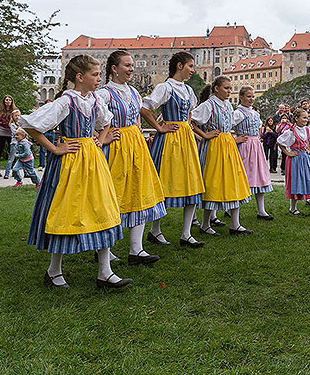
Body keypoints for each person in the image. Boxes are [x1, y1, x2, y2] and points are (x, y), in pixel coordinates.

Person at [21, 54, 130, 290]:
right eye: (95, 74)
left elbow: (106, 122)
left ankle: (105, 272)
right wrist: (55, 149)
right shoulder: (66, 101)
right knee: (66, 211)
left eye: (100, 74)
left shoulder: (93, 100)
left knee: (102, 208)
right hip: (70, 164)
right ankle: (54, 271)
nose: (99, 78)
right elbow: (31, 125)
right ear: (80, 77)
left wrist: (100, 141)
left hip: (93, 160)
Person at [98, 50, 166, 264]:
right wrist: (102, 138)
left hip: (135, 146)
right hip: (115, 148)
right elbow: (90, 119)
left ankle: (136, 249)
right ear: (114, 68)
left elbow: (137, 119)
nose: (131, 68)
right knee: (113, 196)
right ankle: (104, 249)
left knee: (139, 191)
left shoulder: (134, 93)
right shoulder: (104, 94)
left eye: (132, 65)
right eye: (126, 65)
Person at [141, 51, 205, 247]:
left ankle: (186, 233)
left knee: (192, 181)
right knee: (164, 182)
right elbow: (145, 107)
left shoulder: (187, 90)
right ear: (179, 65)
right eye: (190, 66)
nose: (193, 70)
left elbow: (191, 112)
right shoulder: (166, 88)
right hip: (169, 140)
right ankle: (155, 230)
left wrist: (188, 127)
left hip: (185, 138)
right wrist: (160, 127)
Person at [191, 76, 253, 236]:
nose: (229, 91)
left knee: (234, 180)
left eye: (230, 88)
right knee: (213, 182)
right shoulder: (209, 105)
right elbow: (191, 120)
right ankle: (205, 224)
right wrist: (204, 135)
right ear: (216, 88)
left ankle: (235, 224)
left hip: (228, 145)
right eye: (226, 88)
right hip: (214, 147)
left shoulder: (227, 105)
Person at [278, 108, 310, 215]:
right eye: (304, 117)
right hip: (295, 160)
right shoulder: (291, 131)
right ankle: (292, 208)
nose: (306, 120)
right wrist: (288, 153)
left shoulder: (307, 129)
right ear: (296, 118)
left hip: (305, 158)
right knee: (296, 182)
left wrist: (309, 148)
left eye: (307, 117)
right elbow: (280, 142)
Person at [233, 86, 274, 221]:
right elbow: (226, 126)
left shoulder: (255, 113)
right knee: (241, 176)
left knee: (259, 175)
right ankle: (231, 209)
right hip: (244, 146)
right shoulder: (238, 113)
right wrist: (236, 139)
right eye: (248, 96)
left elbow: (259, 127)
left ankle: (261, 210)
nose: (251, 99)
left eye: (252, 97)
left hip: (256, 145)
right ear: (241, 97)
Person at [0, 95, 16, 177]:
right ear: (4, 101)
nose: (8, 101)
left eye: (9, 100)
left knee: (12, 151)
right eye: (6, 100)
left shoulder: (15, 110)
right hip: (2, 131)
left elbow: (19, 120)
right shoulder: (0, 111)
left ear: (12, 101)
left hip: (11, 132)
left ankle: (13, 169)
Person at [3, 109, 22, 179]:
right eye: (16, 116)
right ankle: (7, 173)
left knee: (23, 158)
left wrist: (20, 129)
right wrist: (20, 130)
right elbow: (15, 133)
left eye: (18, 115)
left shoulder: (21, 124)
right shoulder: (12, 124)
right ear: (13, 116)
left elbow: (24, 132)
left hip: (22, 143)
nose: (17, 117)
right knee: (11, 158)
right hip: (14, 143)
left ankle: (22, 172)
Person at [37, 99, 55, 170]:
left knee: (51, 149)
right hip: (44, 132)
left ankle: (49, 164)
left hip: (51, 132)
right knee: (42, 149)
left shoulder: (54, 113)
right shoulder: (42, 113)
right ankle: (41, 165)